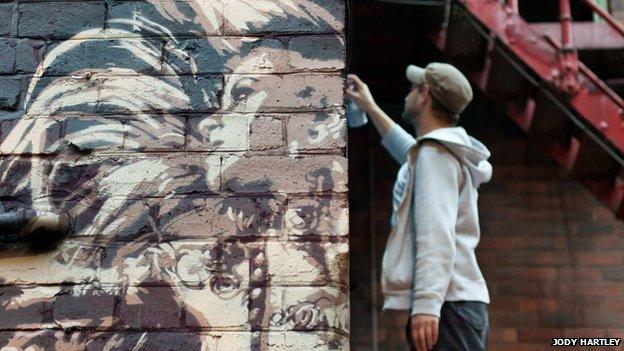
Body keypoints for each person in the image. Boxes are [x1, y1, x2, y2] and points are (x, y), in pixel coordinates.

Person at [346, 62, 493, 351]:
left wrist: (426, 304)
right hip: (455, 304)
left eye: (413, 88)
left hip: (447, 305)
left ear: (424, 94)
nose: (407, 95)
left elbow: (435, 232)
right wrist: (371, 107)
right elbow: (410, 153)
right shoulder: (437, 152)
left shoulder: (435, 154)